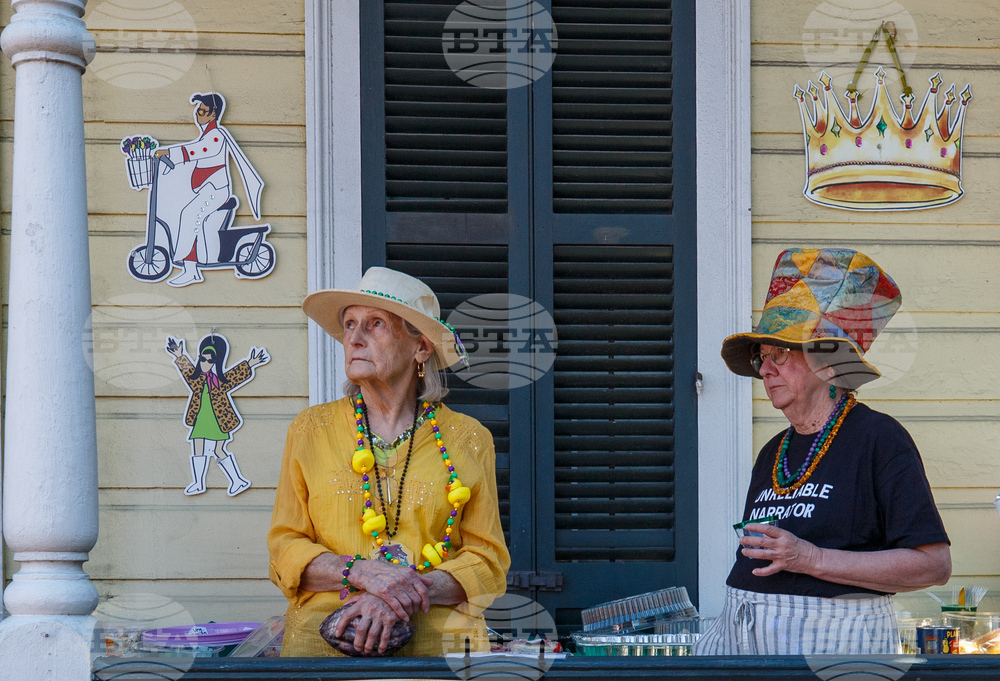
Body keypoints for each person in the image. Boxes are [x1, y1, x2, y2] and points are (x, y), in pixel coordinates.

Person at [695, 248, 951, 656]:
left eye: (780, 354)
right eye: (763, 358)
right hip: (745, 639)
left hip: (832, 644)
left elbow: (934, 566)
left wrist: (809, 558)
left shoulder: (879, 439)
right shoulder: (772, 452)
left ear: (829, 365)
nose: (764, 370)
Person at [268, 267, 510, 657]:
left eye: (375, 324)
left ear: (421, 348)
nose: (354, 338)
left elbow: (487, 561)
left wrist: (397, 595)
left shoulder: (469, 438)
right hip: (324, 649)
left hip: (436, 654)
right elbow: (285, 549)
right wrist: (362, 573)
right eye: (349, 325)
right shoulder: (310, 430)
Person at [154, 92, 264, 287]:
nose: (198, 114)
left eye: (203, 111)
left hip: (215, 191)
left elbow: (201, 150)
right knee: (188, 215)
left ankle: (190, 270)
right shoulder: (208, 135)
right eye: (198, 110)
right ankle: (191, 268)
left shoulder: (216, 136)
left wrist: (169, 152)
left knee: (190, 216)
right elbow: (197, 151)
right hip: (207, 190)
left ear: (213, 115)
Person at [166, 333, 268, 496]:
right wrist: (179, 355)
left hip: (219, 420)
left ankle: (237, 480)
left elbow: (234, 376)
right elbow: (188, 372)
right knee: (197, 448)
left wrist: (250, 363)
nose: (206, 363)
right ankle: (198, 483)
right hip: (200, 419)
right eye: (203, 359)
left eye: (210, 361)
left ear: (217, 362)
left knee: (219, 450)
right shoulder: (197, 380)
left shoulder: (220, 381)